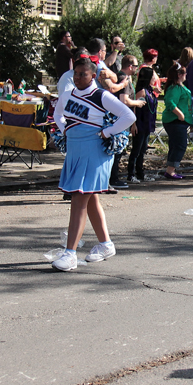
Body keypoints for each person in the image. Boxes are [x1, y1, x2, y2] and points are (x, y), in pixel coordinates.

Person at [50, 56, 136, 272]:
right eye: (76, 74)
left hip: (94, 151)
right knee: (90, 200)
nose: (78, 77)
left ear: (93, 76)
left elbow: (128, 116)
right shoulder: (68, 95)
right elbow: (58, 114)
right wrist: (65, 130)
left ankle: (70, 253)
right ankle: (106, 244)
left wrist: (106, 132)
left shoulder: (102, 95)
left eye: (84, 74)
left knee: (79, 197)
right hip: (75, 150)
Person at [108, 55, 144, 189]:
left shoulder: (119, 76)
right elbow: (124, 100)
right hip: (119, 119)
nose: (136, 69)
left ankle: (112, 177)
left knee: (117, 149)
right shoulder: (124, 79)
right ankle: (113, 178)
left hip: (119, 119)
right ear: (130, 66)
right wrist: (138, 102)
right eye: (135, 66)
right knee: (117, 149)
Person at [162, 63, 193, 179]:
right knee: (180, 145)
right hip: (174, 121)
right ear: (179, 74)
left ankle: (170, 170)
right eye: (184, 73)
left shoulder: (181, 86)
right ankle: (170, 171)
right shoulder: (174, 87)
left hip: (180, 122)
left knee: (175, 145)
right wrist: (179, 114)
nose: (186, 75)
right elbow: (169, 101)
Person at [128, 67, 158, 183]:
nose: (155, 78)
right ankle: (131, 174)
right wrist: (133, 124)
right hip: (140, 123)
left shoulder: (150, 90)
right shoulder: (142, 92)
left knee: (143, 150)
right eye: (153, 76)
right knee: (136, 150)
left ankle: (140, 173)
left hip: (147, 124)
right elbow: (134, 108)